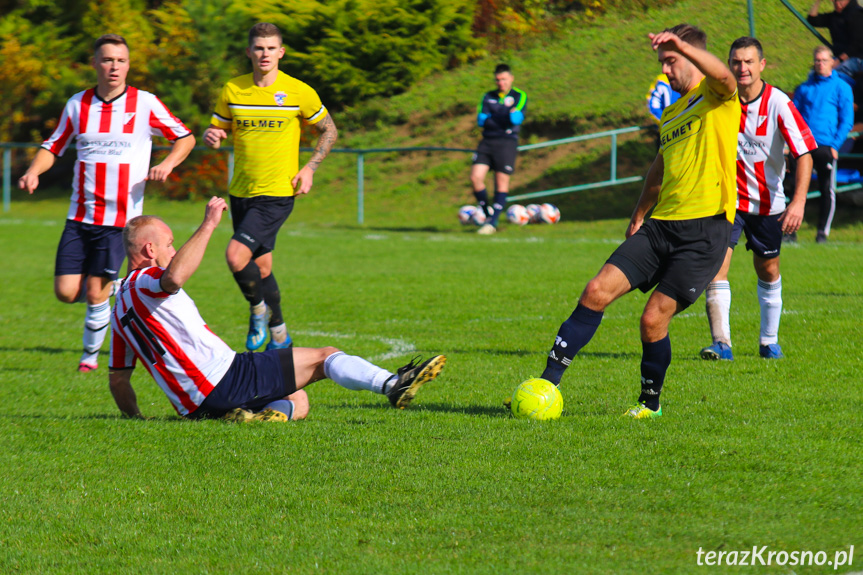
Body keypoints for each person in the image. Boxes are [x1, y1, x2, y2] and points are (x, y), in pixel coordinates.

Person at [519, 24, 738, 419]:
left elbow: (724, 76)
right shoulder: (672, 112)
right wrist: (639, 213)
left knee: (653, 319)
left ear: (691, 55)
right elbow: (659, 167)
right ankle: (545, 386)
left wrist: (681, 46)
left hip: (704, 232)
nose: (666, 71)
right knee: (596, 291)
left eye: (671, 61)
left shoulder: (717, 97)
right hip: (660, 226)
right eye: (663, 63)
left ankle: (648, 405)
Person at [107, 197, 447, 421]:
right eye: (169, 244)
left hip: (193, 407)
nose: (174, 248)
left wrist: (136, 421)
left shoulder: (118, 307)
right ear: (150, 249)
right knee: (324, 357)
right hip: (224, 377)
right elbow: (174, 277)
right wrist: (209, 223)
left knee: (298, 400)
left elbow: (118, 380)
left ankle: (252, 419)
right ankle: (392, 385)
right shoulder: (145, 279)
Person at [17, 34, 195, 372]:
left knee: (97, 290)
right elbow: (53, 145)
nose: (114, 66)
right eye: (108, 59)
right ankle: (115, 291)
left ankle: (89, 358)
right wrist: (33, 171)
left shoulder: (145, 103)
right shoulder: (78, 104)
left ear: (128, 65)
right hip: (79, 216)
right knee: (67, 292)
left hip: (120, 221)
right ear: (95, 63)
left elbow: (185, 137)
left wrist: (167, 164)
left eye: (121, 60)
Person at [203, 23, 338, 352]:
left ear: (281, 52)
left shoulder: (298, 91)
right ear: (249, 52)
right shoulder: (233, 89)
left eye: (270, 48)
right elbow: (217, 129)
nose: (264, 54)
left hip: (277, 193)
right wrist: (213, 136)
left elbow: (329, 130)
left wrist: (310, 168)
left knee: (235, 256)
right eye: (258, 48)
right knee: (261, 268)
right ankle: (280, 335)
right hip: (241, 192)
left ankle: (258, 311)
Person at [699, 37, 817, 362]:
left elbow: (804, 153)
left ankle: (769, 342)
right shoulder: (721, 99)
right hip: (727, 203)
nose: (742, 68)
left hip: (768, 206)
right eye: (737, 62)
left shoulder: (778, 103)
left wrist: (799, 202)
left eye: (749, 62)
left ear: (762, 65)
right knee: (716, 267)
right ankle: (722, 344)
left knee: (768, 269)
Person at [791, 46, 855, 243]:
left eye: (824, 60)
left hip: (826, 146)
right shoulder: (804, 88)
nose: (820, 64)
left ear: (832, 62)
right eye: (817, 60)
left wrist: (835, 145)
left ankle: (822, 233)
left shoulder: (841, 87)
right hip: (803, 146)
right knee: (794, 187)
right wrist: (792, 143)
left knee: (827, 189)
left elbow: (846, 120)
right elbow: (793, 118)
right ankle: (790, 231)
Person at [470, 63, 528, 235]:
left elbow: (516, 118)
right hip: (487, 141)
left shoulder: (519, 95)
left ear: (511, 78)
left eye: (504, 79)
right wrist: (504, 115)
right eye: (497, 79)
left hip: (507, 142)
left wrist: (494, 117)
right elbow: (481, 120)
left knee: (501, 182)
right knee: (475, 178)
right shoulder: (488, 96)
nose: (501, 82)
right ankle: (489, 215)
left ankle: (492, 223)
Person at [807, 0, 863, 82]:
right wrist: (818, 1)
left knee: (835, 73)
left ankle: (847, 92)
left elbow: (858, 44)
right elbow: (812, 19)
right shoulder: (834, 17)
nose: (837, 3)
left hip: (856, 57)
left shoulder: (857, 15)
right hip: (838, 56)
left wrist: (839, 60)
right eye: (834, 1)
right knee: (813, 73)